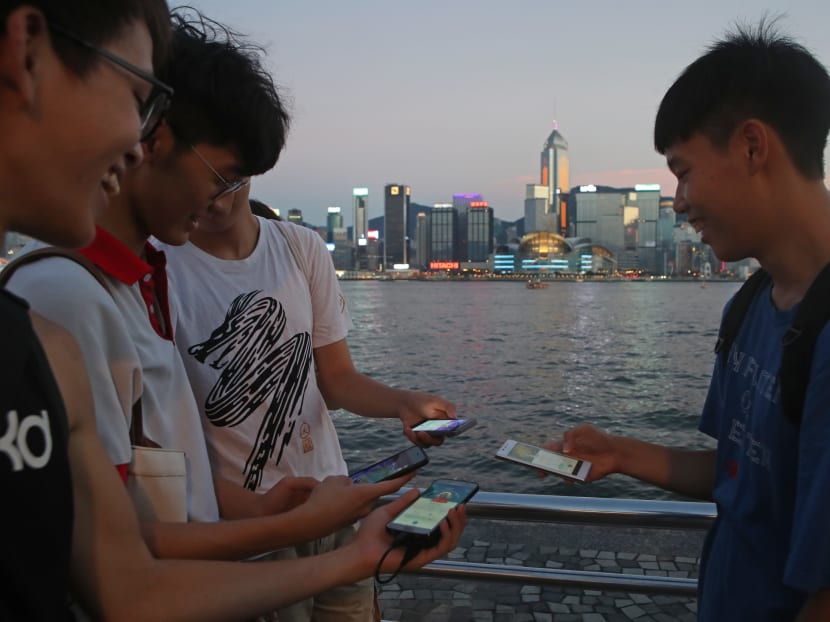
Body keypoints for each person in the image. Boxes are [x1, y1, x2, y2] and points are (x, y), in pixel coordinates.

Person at [0, 3, 465, 620]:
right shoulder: (63, 302)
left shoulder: (138, 285)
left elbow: (146, 506)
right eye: (138, 96)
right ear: (24, 50)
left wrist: (268, 512)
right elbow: (127, 572)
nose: (136, 140)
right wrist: (297, 532)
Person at [157, 31, 458, 621]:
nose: (216, 200)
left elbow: (337, 378)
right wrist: (251, 511)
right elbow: (169, 441)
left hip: (334, 502)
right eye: (208, 178)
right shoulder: (159, 263)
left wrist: (403, 402)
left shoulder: (300, 248)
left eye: (232, 180)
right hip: (248, 529)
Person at [547, 22, 830, 622]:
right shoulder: (750, 305)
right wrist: (619, 453)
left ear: (753, 147)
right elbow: (740, 472)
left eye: (683, 170)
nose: (677, 202)